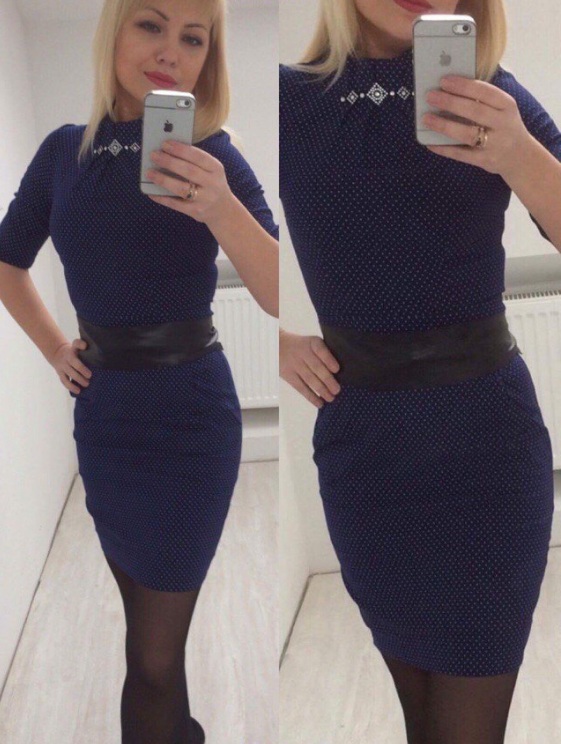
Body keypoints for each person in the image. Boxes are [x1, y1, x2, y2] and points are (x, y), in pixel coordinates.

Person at [280, 0, 560, 741]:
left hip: (487, 452)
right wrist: (278, 342)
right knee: (421, 718)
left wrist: (518, 154)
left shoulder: (492, 94)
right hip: (365, 456)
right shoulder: (288, 102)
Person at [0, 0, 278, 741]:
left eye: (193, 38)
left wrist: (220, 207)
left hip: (190, 418)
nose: (170, 51)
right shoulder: (64, 153)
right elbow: (7, 260)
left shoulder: (213, 153)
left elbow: (285, 292)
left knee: (151, 657)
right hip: (106, 419)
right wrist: (56, 348)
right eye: (151, 25)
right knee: (147, 632)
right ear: (114, 31)